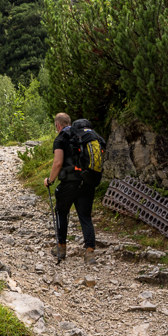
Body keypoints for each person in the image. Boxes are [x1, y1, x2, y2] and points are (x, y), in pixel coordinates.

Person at [44, 112, 100, 262]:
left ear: (58, 125)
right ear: (70, 122)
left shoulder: (61, 138)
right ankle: (89, 252)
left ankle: (61, 248)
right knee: (85, 217)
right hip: (87, 180)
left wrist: (50, 180)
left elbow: (58, 163)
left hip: (70, 183)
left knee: (61, 212)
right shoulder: (83, 137)